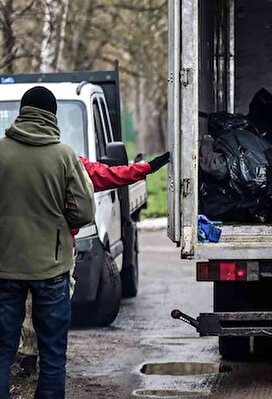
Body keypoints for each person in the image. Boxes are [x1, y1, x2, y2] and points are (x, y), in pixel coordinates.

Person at [16, 151, 171, 374]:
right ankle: (46, 359)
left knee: (25, 302)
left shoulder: (10, 158)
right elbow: (111, 175)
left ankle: (28, 355)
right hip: (57, 249)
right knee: (54, 305)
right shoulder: (70, 162)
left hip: (20, 247)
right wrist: (148, 167)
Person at [0, 86, 95, 399]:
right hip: (52, 268)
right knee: (53, 352)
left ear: (23, 113)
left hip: (5, 266)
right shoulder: (64, 155)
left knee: (2, 349)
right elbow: (84, 210)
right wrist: (58, 226)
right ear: (52, 116)